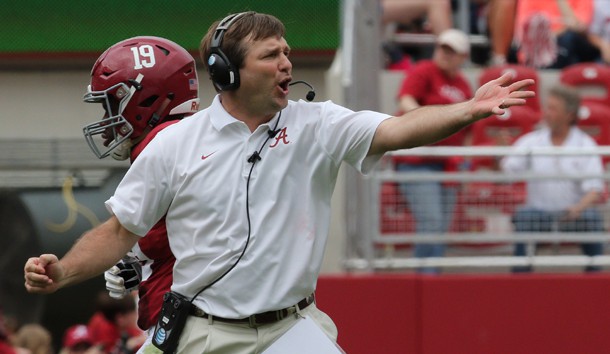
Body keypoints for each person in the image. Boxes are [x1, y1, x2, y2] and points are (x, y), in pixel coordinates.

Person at [24, 11, 534, 354]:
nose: (287, 62)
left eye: (286, 51)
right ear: (227, 72)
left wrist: (466, 110)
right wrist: (62, 270)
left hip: (293, 331)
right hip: (202, 330)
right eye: (271, 55)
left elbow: (397, 129)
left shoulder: (319, 123)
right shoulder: (174, 144)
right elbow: (119, 231)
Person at [80, 35, 199, 348]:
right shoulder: (180, 145)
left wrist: (131, 254)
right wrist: (138, 264)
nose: (106, 121)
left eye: (111, 105)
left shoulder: (171, 149)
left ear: (143, 99)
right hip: (181, 321)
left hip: (193, 326)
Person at [501, 84, 605, 273]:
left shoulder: (585, 145)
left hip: (572, 214)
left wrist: (577, 208)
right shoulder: (532, 141)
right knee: (523, 217)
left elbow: (595, 189)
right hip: (538, 214)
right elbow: (507, 171)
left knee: (592, 219)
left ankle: (595, 279)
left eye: (553, 109)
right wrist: (497, 152)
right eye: (547, 107)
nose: (546, 113)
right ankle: (518, 283)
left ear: (570, 115)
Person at [393, 28, 473, 274]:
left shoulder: (463, 84)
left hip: (447, 163)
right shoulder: (424, 71)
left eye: (452, 51)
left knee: (439, 228)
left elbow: (468, 124)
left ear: (463, 57)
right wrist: (428, 121)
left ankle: (432, 278)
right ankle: (424, 281)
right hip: (419, 160)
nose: (445, 55)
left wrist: (465, 159)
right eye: (442, 48)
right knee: (431, 222)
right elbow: (406, 101)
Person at [514, 0, 597, 69]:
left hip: (570, 45)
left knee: (568, 39)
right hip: (538, 44)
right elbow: (524, 28)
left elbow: (578, 27)